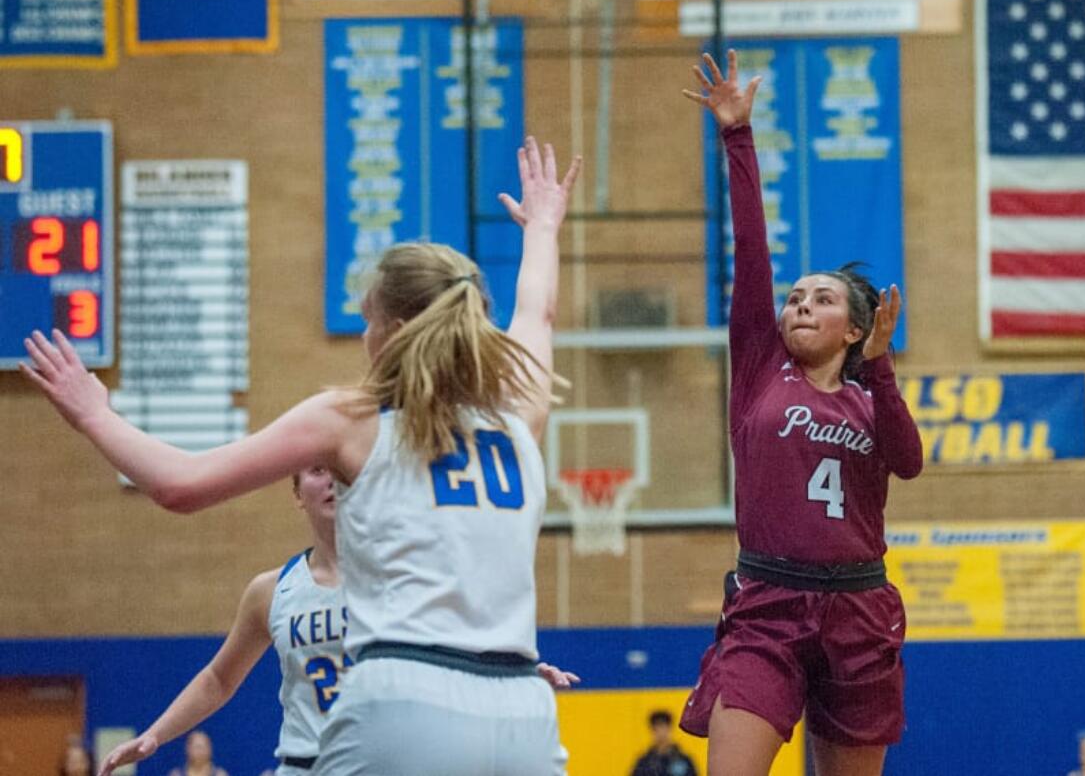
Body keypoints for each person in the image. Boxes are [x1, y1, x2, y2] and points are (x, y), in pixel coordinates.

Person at [22, 137, 580, 776]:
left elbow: (181, 485)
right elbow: (538, 309)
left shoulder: (352, 419)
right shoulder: (521, 408)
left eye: (368, 320)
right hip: (521, 714)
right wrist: (542, 226)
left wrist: (95, 415)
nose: (365, 335)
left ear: (394, 333)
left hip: (404, 701)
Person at [676, 51, 923, 776]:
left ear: (855, 329)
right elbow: (751, 253)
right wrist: (737, 137)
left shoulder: (868, 394)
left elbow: (907, 461)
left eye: (820, 299)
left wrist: (882, 369)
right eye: (795, 297)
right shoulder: (759, 369)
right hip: (767, 603)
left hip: (859, 608)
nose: (799, 304)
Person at [98, 467, 578, 776]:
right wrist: (156, 734)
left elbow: (462, 648)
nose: (330, 481)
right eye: (315, 471)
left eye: (340, 471)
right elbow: (218, 678)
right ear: (296, 495)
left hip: (391, 762)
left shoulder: (405, 574)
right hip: (306, 764)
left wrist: (511, 675)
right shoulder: (272, 590)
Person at [630, 710, 697, 776]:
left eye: (663, 727)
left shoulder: (683, 761)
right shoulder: (644, 763)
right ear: (652, 731)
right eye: (656, 729)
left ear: (670, 729)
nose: (661, 733)